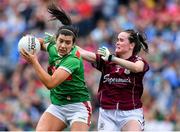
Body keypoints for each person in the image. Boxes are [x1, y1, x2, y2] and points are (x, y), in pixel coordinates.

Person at [20, 4, 92, 131]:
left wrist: (34, 62)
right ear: (56, 40)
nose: (63, 45)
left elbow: (50, 83)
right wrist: (31, 42)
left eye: (68, 42)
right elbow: (42, 43)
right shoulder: (53, 47)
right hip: (58, 105)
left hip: (78, 107)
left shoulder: (73, 59)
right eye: (61, 41)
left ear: (73, 44)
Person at [77, 29, 149, 131]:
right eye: (117, 40)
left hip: (130, 113)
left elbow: (137, 68)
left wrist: (112, 59)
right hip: (107, 113)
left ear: (131, 45)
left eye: (121, 40)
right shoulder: (107, 60)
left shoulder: (138, 61)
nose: (117, 42)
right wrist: (61, 42)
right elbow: (82, 52)